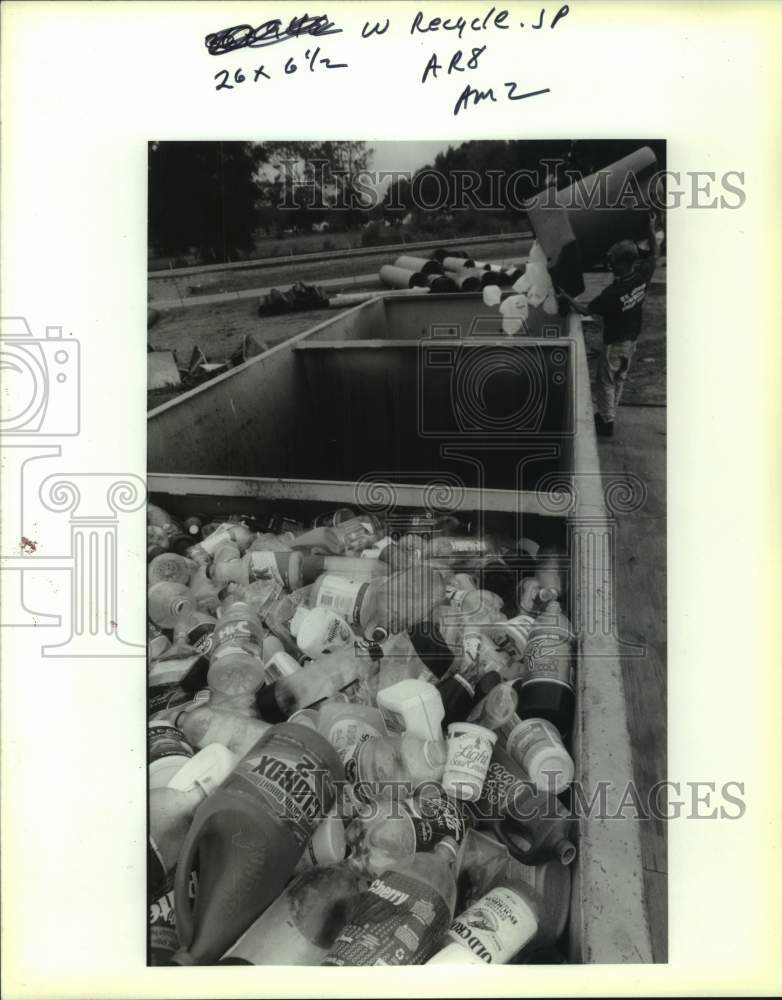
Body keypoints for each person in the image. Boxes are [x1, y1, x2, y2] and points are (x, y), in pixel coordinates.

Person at [560, 211, 658, 438]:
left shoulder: (612, 294)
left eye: (614, 262)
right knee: (620, 378)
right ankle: (609, 413)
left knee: (605, 382)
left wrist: (566, 297)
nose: (610, 266)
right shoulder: (642, 274)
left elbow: (585, 309)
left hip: (614, 343)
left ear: (624, 263)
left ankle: (606, 422)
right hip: (632, 342)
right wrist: (651, 230)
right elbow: (655, 254)